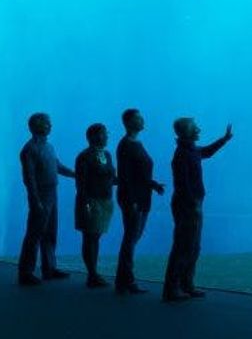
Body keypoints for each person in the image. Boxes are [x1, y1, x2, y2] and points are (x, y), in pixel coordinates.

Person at [163, 117, 232, 302]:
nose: (199, 130)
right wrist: (192, 203)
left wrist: (223, 140)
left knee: (193, 247)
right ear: (186, 132)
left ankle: (187, 284)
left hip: (194, 204)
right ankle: (172, 288)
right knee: (183, 247)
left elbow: (207, 152)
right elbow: (182, 183)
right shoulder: (182, 154)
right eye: (195, 127)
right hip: (187, 205)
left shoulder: (191, 150)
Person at [18, 112, 76, 286]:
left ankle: (49, 268)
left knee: (50, 232)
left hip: (52, 193)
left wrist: (75, 174)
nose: (50, 125)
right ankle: (25, 272)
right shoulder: (29, 149)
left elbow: (57, 166)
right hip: (41, 195)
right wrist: (35, 201)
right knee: (34, 234)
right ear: (36, 125)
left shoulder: (49, 146)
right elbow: (29, 179)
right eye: (47, 123)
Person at [115, 108, 165, 294]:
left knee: (132, 238)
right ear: (128, 123)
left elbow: (139, 174)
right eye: (138, 118)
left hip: (141, 197)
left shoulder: (135, 143)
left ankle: (123, 279)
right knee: (130, 238)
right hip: (133, 199)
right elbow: (126, 177)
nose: (142, 120)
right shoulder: (127, 145)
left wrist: (153, 184)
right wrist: (132, 200)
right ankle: (127, 281)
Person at [74, 123, 116, 289]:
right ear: (93, 136)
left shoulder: (107, 154)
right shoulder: (84, 156)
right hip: (91, 201)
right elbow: (81, 183)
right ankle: (92, 274)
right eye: (103, 133)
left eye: (106, 133)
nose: (106, 136)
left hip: (105, 202)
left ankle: (93, 272)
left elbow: (112, 178)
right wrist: (86, 204)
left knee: (95, 237)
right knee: (90, 237)